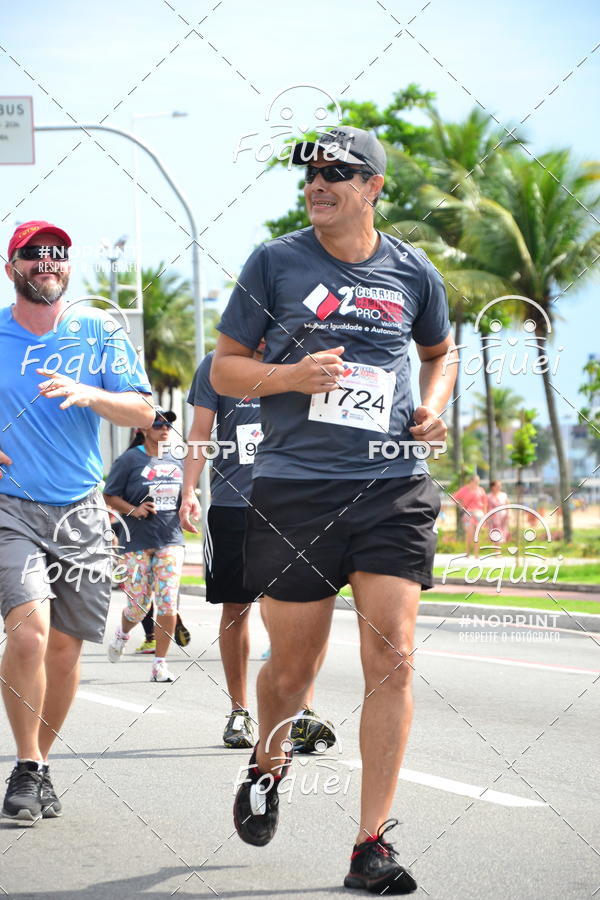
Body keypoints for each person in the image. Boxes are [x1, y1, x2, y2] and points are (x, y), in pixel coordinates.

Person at [211, 126, 456, 894]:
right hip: (297, 490)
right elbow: (225, 369)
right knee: (293, 670)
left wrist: (434, 408)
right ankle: (267, 762)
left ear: (374, 187)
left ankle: (369, 845)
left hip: (392, 485)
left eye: (338, 173)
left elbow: (439, 353)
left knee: (395, 655)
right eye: (312, 173)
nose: (319, 184)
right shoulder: (275, 262)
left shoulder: (412, 271)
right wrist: (291, 376)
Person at [0, 220, 153, 822]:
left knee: (65, 648)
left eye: (57, 253)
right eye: (33, 254)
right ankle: (26, 763)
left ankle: (37, 766)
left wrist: (92, 395)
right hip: (10, 505)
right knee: (30, 632)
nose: (47, 262)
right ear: (12, 267)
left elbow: (144, 410)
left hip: (83, 508)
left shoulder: (99, 331)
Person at [180, 348, 335, 753]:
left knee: (296, 609)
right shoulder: (217, 364)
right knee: (236, 608)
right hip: (233, 505)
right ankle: (239, 711)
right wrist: (188, 489)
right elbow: (200, 431)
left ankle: (302, 713)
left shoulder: (300, 358)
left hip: (291, 506)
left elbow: (325, 426)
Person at [104, 409, 184, 683]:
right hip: (136, 542)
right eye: (158, 424)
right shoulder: (129, 460)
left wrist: (190, 507)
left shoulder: (177, 459)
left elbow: (185, 495)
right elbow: (109, 496)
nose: (165, 428)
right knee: (138, 607)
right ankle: (122, 633)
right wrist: (134, 510)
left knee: (167, 604)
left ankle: (159, 664)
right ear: (143, 429)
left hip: (170, 540)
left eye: (168, 424)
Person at [453, 474, 488, 558]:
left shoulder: (481, 490)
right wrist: (461, 505)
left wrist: (485, 516)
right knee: (469, 533)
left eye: (478, 481)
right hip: (468, 513)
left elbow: (485, 503)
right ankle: (468, 553)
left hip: (479, 513)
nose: (478, 482)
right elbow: (454, 497)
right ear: (471, 481)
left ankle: (476, 554)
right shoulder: (464, 489)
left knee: (477, 534)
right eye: (476, 481)